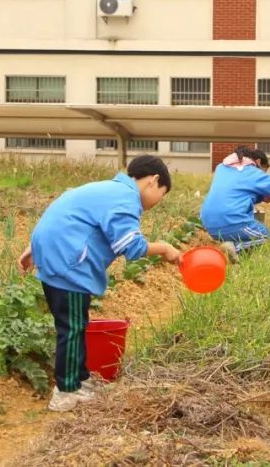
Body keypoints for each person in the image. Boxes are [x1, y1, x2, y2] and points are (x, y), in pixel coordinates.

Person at [16, 155, 182, 412]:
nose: (159, 201)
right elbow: (132, 246)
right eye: (163, 194)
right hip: (69, 264)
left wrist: (35, 246)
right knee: (71, 328)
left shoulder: (106, 189)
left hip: (59, 255)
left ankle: (79, 380)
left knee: (76, 323)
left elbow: (64, 209)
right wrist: (165, 248)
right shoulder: (125, 198)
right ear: (153, 180)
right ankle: (65, 392)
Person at [199, 146, 270, 259]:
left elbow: (235, 192)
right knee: (265, 237)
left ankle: (229, 245)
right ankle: (236, 247)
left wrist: (261, 197)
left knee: (244, 231)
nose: (263, 175)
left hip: (209, 224)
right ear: (258, 162)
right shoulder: (251, 171)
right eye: (264, 171)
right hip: (232, 220)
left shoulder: (222, 168)